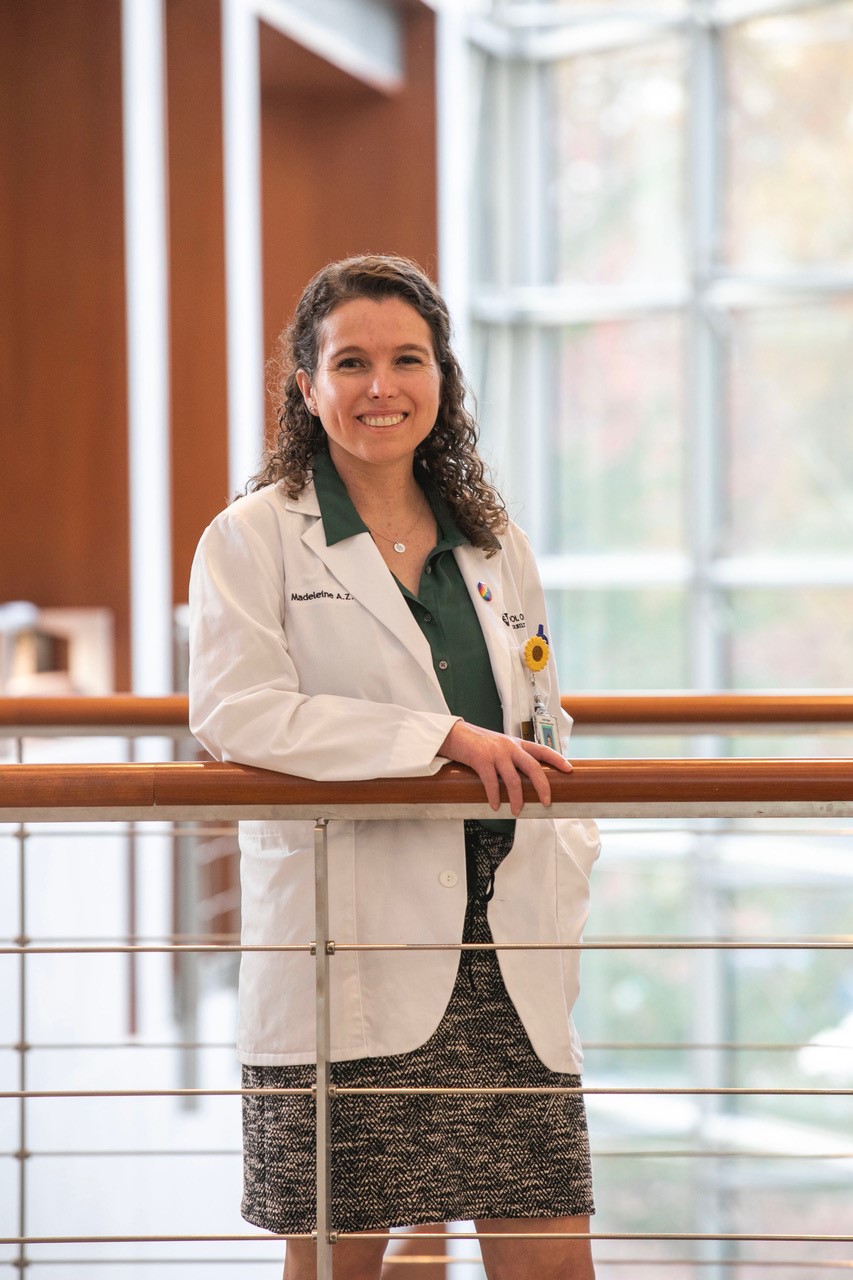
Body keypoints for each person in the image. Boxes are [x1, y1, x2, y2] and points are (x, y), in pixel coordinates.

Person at [188, 254, 600, 1280]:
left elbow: (541, 714)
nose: (382, 386)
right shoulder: (253, 539)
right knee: (342, 1261)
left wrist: (571, 845)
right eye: (351, 363)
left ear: (441, 378)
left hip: (503, 945)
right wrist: (436, 738)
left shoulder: (493, 542)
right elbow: (237, 713)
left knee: (552, 1257)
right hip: (353, 943)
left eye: (408, 359)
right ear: (306, 386)